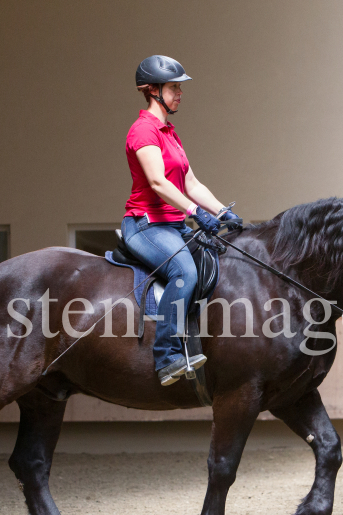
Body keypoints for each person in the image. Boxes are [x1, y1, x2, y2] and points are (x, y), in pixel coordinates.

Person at [122, 55, 243, 386]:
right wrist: (195, 213)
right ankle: (167, 357)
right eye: (174, 87)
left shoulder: (169, 131)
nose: (180, 93)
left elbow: (190, 183)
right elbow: (159, 183)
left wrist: (221, 211)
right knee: (184, 271)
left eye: (179, 88)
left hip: (173, 225)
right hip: (146, 225)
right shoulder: (143, 130)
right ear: (152, 90)